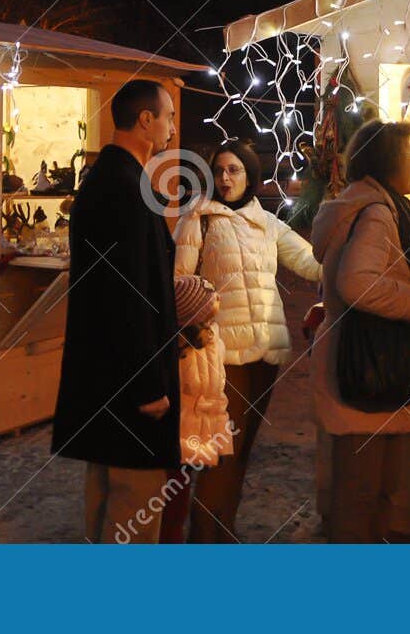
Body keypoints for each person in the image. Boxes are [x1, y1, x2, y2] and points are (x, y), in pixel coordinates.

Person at [51, 79, 182, 543]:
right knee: (134, 500)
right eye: (166, 116)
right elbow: (126, 294)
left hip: (108, 375)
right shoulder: (123, 188)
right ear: (145, 120)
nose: (171, 126)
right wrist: (148, 383)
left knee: (107, 489)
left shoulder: (116, 180)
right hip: (126, 380)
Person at [173, 139, 321, 541]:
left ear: (251, 175)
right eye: (219, 170)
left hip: (266, 351)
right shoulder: (199, 218)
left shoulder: (267, 222)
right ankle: (204, 539)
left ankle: (225, 530)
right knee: (221, 454)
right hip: (225, 355)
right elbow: (180, 282)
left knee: (242, 452)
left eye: (234, 170)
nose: (225, 178)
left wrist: (348, 248)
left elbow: (309, 264)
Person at [309, 120, 410, 542]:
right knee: (363, 492)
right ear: (389, 163)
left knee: (365, 489)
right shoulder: (379, 214)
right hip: (368, 363)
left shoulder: (361, 206)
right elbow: (357, 283)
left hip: (356, 358)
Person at [158, 275, 232, 543]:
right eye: (210, 299)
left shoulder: (213, 343)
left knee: (180, 501)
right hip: (175, 440)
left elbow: (217, 397)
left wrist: (218, 442)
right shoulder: (175, 352)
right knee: (170, 505)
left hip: (197, 436)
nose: (218, 299)